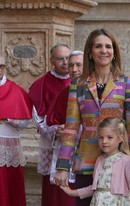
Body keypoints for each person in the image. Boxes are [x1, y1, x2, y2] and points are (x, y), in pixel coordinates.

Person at [53, 29, 130, 206]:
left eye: (108, 46)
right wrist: (62, 166)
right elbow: (71, 127)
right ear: (90, 53)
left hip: (118, 163)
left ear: (114, 52)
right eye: (98, 46)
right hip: (85, 163)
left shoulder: (128, 83)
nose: (104, 50)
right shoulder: (78, 84)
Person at [60, 117, 130, 205]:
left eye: (109, 137)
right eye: (101, 137)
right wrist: (71, 192)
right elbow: (94, 188)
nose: (104, 141)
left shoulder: (126, 160)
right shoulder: (99, 160)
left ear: (120, 138)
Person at [28, 43, 73, 206]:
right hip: (53, 141)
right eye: (60, 59)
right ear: (51, 61)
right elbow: (38, 117)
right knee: (53, 193)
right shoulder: (41, 84)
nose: (65, 62)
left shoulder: (79, 82)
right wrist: (55, 130)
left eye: (68, 58)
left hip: (77, 143)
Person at [45, 50, 84, 199]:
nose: (74, 70)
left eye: (78, 65)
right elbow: (51, 123)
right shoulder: (64, 93)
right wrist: (57, 130)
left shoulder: (97, 89)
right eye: (71, 65)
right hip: (68, 153)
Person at [0, 55, 33, 206]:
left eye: (0, 66)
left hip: (8, 146)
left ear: (5, 68)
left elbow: (26, 122)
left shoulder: (16, 91)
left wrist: (8, 119)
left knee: (9, 190)